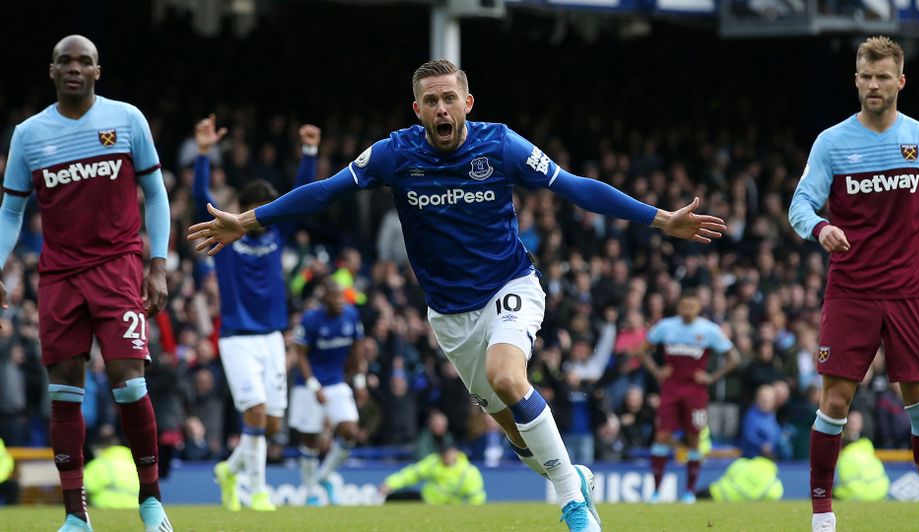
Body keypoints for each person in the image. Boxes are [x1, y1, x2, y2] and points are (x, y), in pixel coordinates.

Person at [188, 59, 726, 531]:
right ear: (417, 110)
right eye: (431, 101)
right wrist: (248, 221)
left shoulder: (501, 144)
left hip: (510, 286)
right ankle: (572, 476)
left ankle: (572, 503)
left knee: (508, 376)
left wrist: (660, 219)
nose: (441, 108)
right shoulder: (393, 154)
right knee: (518, 436)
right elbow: (324, 192)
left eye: (449, 98)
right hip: (450, 316)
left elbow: (574, 186)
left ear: (467, 103)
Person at [0, 35, 172, 532]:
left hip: (117, 268)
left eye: (84, 62)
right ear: (52, 70)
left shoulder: (127, 119)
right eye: (66, 61)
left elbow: (155, 193)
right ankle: (76, 516)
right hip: (59, 276)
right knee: (64, 392)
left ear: (98, 71)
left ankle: (151, 500)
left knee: (129, 382)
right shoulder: (29, 135)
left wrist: (157, 264)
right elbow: (11, 210)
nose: (74, 68)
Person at [789, 35, 919, 532]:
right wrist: (821, 228)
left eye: (883, 77)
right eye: (866, 76)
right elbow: (799, 205)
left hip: (911, 290)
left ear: (901, 81)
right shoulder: (831, 143)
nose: (874, 84)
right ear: (855, 80)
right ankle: (822, 515)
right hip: (851, 291)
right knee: (834, 402)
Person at [192, 115, 322, 511]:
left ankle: (230, 470)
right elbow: (200, 197)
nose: (264, 214)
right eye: (258, 207)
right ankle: (257, 489)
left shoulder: (277, 233)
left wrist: (310, 152)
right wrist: (203, 154)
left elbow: (302, 196)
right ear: (244, 209)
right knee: (256, 412)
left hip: (272, 338)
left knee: (271, 423)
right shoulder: (226, 238)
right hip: (237, 339)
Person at [636, 290, 740, 503]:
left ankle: (689, 491)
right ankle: (656, 491)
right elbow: (641, 350)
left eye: (691, 306)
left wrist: (712, 377)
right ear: (678, 307)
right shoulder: (666, 327)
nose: (687, 311)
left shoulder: (709, 330)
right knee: (662, 436)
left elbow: (734, 358)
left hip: (695, 392)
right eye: (684, 306)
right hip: (670, 389)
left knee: (694, 437)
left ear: (698, 307)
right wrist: (657, 371)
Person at [288, 279, 365, 506]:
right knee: (310, 440)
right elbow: (300, 354)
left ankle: (323, 476)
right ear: (325, 299)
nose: (340, 301)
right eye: (335, 297)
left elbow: (357, 349)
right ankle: (310, 491)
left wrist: (360, 382)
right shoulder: (310, 319)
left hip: (336, 382)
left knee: (350, 431)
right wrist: (313, 386)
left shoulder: (351, 316)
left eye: (342, 296)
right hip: (308, 385)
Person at [378, 439, 486, 505]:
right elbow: (412, 474)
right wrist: (390, 483)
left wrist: (471, 514)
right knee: (393, 499)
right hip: (425, 501)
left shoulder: (468, 472)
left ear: (456, 452)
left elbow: (476, 496)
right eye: (443, 452)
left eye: (449, 452)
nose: (446, 455)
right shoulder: (434, 461)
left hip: (450, 508)